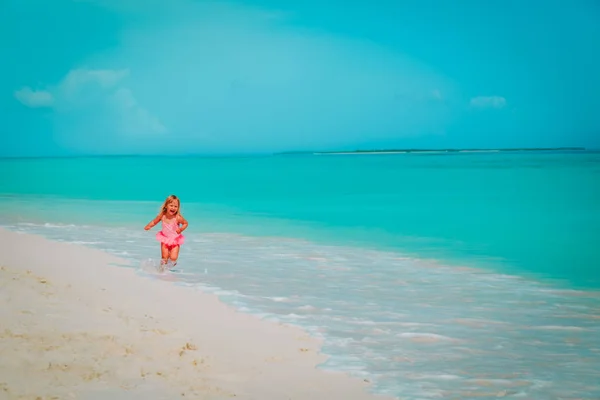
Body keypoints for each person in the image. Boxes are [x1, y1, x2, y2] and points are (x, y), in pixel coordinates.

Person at [144, 194, 188, 268]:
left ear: (178, 208)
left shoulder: (177, 217)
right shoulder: (162, 216)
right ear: (166, 206)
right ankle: (162, 269)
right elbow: (154, 221)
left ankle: (170, 267)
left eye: (175, 206)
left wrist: (181, 229)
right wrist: (149, 226)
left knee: (173, 258)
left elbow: (185, 223)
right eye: (171, 205)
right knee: (164, 257)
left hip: (175, 240)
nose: (173, 208)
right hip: (165, 239)